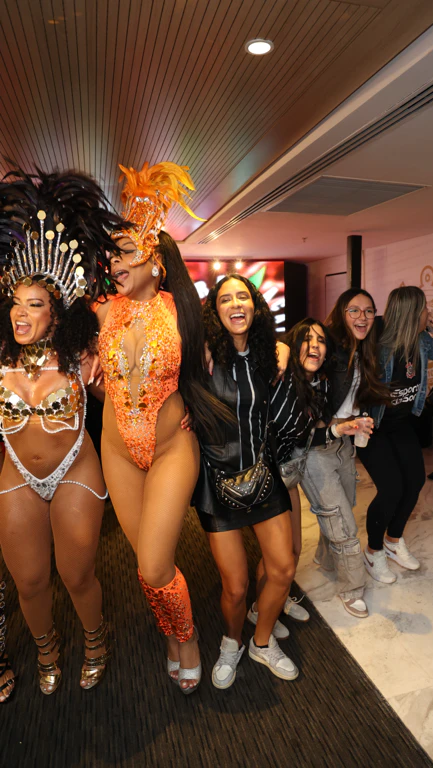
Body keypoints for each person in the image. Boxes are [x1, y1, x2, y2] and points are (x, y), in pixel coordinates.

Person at [97, 161, 227, 694]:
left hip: (173, 447)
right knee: (147, 563)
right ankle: (170, 634)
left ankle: (188, 637)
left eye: (125, 252)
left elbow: (215, 363)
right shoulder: (102, 312)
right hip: (116, 451)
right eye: (111, 254)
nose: (115, 262)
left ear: (155, 261)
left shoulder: (183, 311)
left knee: (153, 566)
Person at [0, 168, 122, 694]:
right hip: (18, 475)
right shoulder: (0, 357)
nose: (21, 312)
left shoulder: (80, 357)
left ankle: (95, 641)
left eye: (35, 304)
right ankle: (46, 650)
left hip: (76, 469)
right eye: (16, 301)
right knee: (28, 581)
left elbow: (126, 400)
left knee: (76, 575)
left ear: (56, 314)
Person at [193, 274, 298, 690]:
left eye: (243, 296)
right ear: (214, 311)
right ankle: (231, 642)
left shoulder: (268, 355)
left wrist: (283, 347)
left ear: (255, 306)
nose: (236, 304)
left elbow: (292, 350)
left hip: (263, 475)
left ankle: (262, 641)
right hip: (216, 483)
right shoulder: (200, 358)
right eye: (225, 299)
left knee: (283, 568)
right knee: (236, 588)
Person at [358, 286, 433, 584]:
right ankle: (373, 552)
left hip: (401, 425)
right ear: (411, 313)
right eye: (424, 308)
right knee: (391, 489)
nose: (428, 313)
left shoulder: (422, 341)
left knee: (415, 482)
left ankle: (393, 541)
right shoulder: (376, 342)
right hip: (373, 427)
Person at [271, 312, 376, 619]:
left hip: (327, 450)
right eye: (307, 340)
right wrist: (281, 347)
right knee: (339, 525)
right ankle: (352, 588)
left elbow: (314, 430)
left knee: (339, 513)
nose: (315, 345)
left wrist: (343, 428)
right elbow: (299, 436)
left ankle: (324, 561)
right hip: (282, 468)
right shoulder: (281, 379)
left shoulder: (323, 379)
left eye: (320, 340)